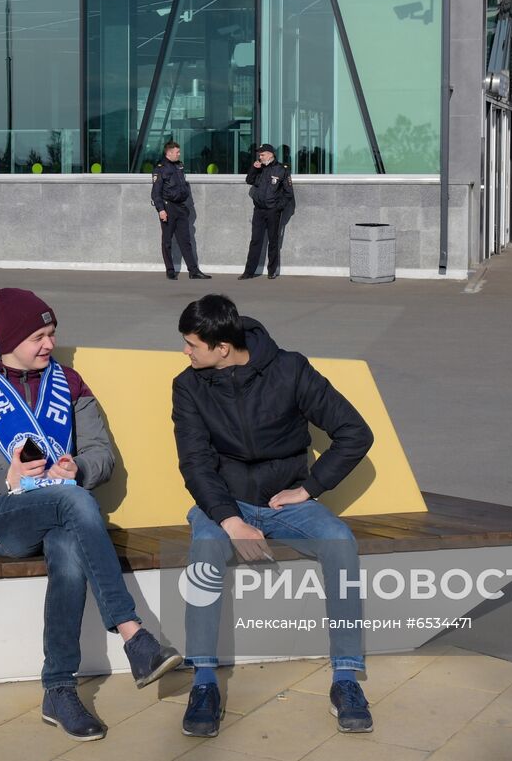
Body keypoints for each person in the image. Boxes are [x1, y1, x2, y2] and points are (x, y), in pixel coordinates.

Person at [0, 288, 182, 741]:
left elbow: (100, 454)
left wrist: (79, 467)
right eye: (39, 337)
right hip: (1, 519)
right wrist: (4, 478)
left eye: (52, 334)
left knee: (69, 544)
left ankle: (59, 689)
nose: (50, 345)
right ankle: (133, 635)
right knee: (77, 503)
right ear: (9, 340)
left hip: (65, 510)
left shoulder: (70, 383)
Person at [171, 295, 375, 737]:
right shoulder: (188, 385)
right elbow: (195, 463)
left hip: (285, 504)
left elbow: (355, 432)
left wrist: (311, 487)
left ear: (221, 347)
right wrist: (230, 520)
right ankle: (204, 682)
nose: (185, 352)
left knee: (339, 541)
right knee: (205, 547)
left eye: (191, 344)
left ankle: (345, 679)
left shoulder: (290, 369)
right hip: (223, 502)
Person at [151, 142, 211, 281]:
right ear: (169, 153)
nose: (179, 154)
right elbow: (155, 193)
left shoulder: (179, 166)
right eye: (177, 152)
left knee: (186, 240)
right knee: (167, 241)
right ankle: (170, 270)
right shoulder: (160, 169)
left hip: (181, 207)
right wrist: (161, 210)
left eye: (179, 152)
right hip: (168, 207)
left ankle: (194, 271)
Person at [241, 144, 295, 279]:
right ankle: (248, 272)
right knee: (255, 241)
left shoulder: (281, 169)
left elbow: (288, 193)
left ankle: (272, 271)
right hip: (259, 210)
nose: (260, 157)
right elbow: (249, 180)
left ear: (270, 154)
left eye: (262, 154)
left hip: (272, 211)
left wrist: (278, 207)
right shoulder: (259, 168)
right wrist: (254, 168)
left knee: (273, 241)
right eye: (259, 155)